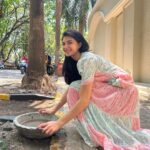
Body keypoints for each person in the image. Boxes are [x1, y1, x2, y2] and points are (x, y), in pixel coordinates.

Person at [38, 30, 150, 149]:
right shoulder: (76, 61)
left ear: (79, 44)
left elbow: (84, 100)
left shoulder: (86, 60)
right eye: (64, 43)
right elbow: (73, 87)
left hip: (123, 91)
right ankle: (95, 127)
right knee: (75, 87)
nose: (65, 46)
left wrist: (58, 123)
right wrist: (54, 109)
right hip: (117, 88)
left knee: (77, 92)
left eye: (69, 42)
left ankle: (96, 130)